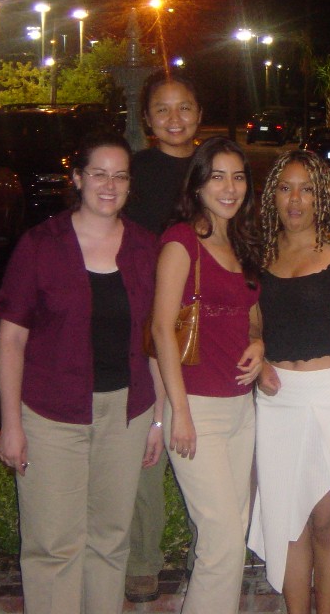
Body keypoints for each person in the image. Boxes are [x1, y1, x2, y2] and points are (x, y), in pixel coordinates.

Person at [0, 130, 165, 614]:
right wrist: (11, 424)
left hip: (126, 413)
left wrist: (157, 418)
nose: (109, 185)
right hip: (51, 414)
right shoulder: (40, 245)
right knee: (53, 545)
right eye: (98, 174)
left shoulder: (145, 248)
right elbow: (10, 339)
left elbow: (156, 339)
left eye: (120, 176)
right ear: (77, 178)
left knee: (110, 539)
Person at [247, 150, 330, 614]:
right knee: (287, 521)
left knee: (328, 521)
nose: (295, 199)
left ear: (320, 196)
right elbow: (253, 324)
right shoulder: (260, 257)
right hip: (279, 402)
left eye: (306, 189)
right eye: (286, 188)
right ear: (273, 196)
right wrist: (259, 356)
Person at [152, 136, 264, 614]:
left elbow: (252, 315)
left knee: (232, 534)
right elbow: (162, 328)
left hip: (241, 409)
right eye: (217, 177)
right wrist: (178, 412)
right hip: (197, 408)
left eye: (237, 177)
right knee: (221, 539)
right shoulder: (182, 242)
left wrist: (259, 343)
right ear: (198, 184)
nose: (229, 187)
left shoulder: (242, 242)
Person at [122, 70, 202, 603]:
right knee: (147, 435)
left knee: (205, 438)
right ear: (147, 119)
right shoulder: (134, 172)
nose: (174, 119)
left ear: (200, 113)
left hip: (207, 317)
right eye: (162, 110)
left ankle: (208, 554)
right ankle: (142, 560)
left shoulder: (216, 166)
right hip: (146, 316)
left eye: (184, 107)